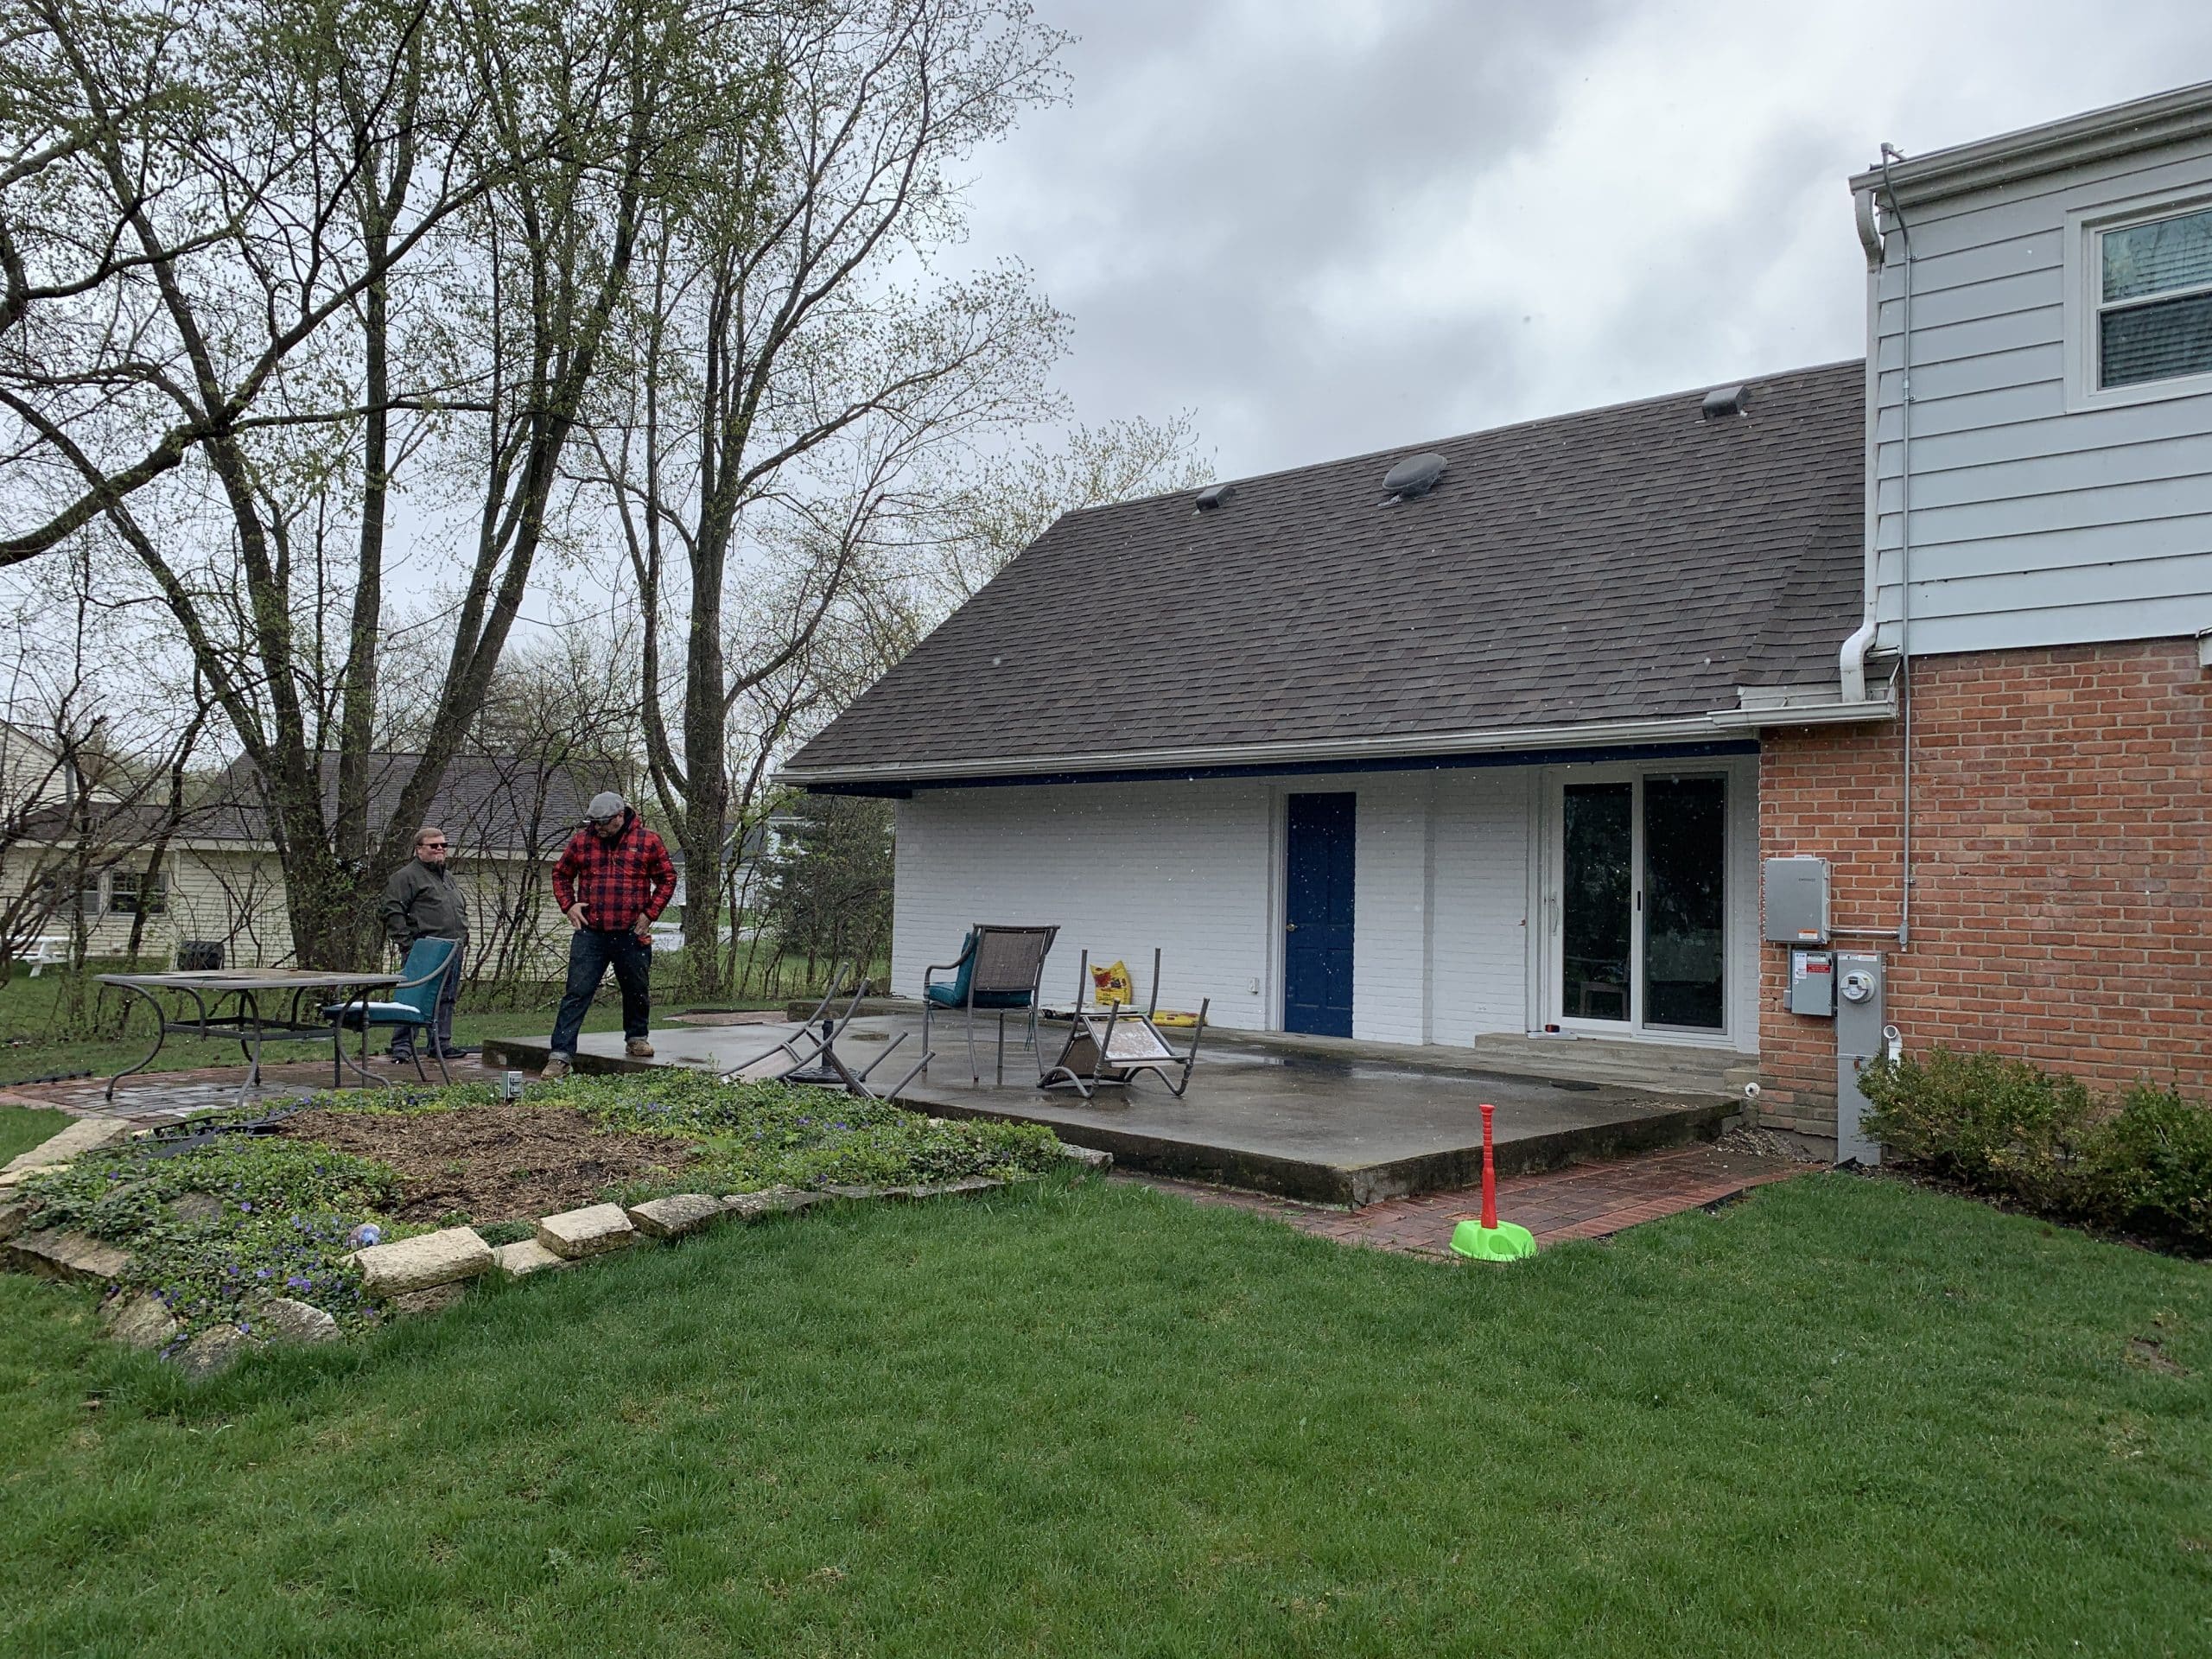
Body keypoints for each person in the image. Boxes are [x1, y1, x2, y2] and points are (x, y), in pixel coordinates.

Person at [540, 791, 677, 1079]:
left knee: (636, 989)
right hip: (591, 933)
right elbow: (561, 874)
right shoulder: (581, 842)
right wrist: (568, 905)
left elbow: (667, 878)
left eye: (603, 823)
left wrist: (650, 914)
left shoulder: (648, 841)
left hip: (631, 932)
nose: (598, 828)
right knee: (577, 993)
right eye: (594, 823)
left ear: (620, 816)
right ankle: (560, 1056)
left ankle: (637, 1037)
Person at [380, 825, 471, 1064]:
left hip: (452, 947)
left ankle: (440, 1044)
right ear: (419, 849)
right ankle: (402, 1047)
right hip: (423, 948)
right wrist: (407, 945)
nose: (440, 849)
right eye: (434, 845)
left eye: (444, 845)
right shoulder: (406, 877)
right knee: (413, 998)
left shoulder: (446, 877)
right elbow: (392, 910)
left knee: (446, 998)